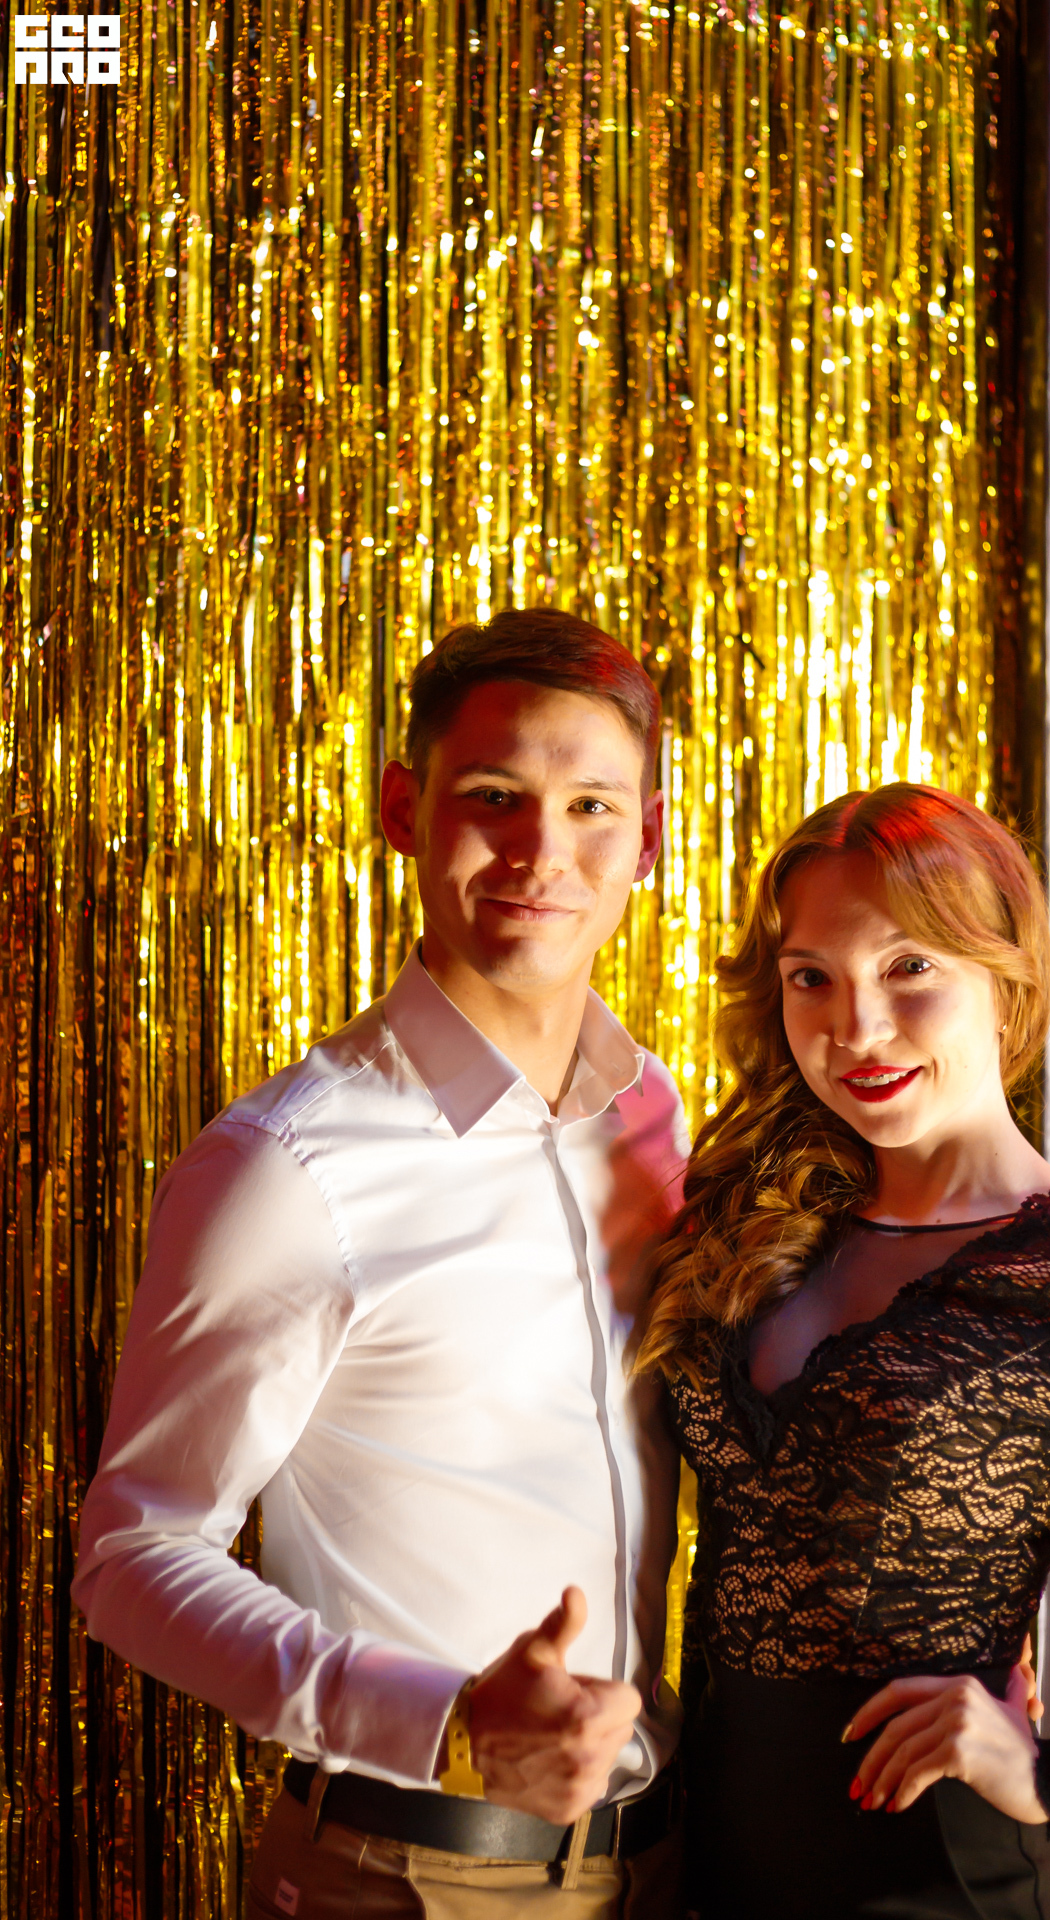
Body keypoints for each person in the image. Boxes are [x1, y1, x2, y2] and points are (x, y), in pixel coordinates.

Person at [73, 611, 691, 1919]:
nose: (541, 852)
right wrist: (446, 1720)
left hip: (662, 1868)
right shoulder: (286, 1167)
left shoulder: (653, 1117)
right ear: (404, 809)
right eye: (494, 797)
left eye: (590, 807)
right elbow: (133, 1557)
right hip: (408, 1878)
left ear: (648, 840)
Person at [634, 782, 1050, 1920]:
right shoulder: (747, 1231)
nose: (855, 1028)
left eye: (908, 969)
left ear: (1006, 976)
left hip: (956, 1886)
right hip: (712, 1879)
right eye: (811, 977)